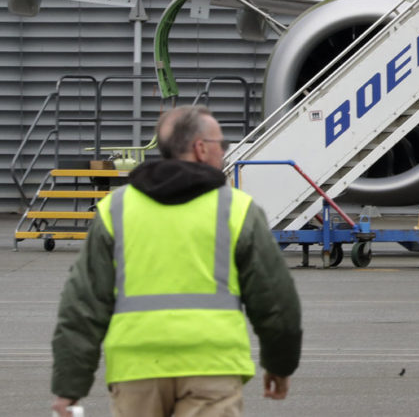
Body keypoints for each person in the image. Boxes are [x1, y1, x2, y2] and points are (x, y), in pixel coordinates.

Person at [50, 105, 303, 416]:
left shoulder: (116, 208)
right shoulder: (236, 209)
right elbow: (276, 300)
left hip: (136, 369)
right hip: (212, 368)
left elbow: (82, 306)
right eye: (220, 145)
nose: (223, 152)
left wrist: (69, 388)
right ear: (200, 149)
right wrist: (279, 365)